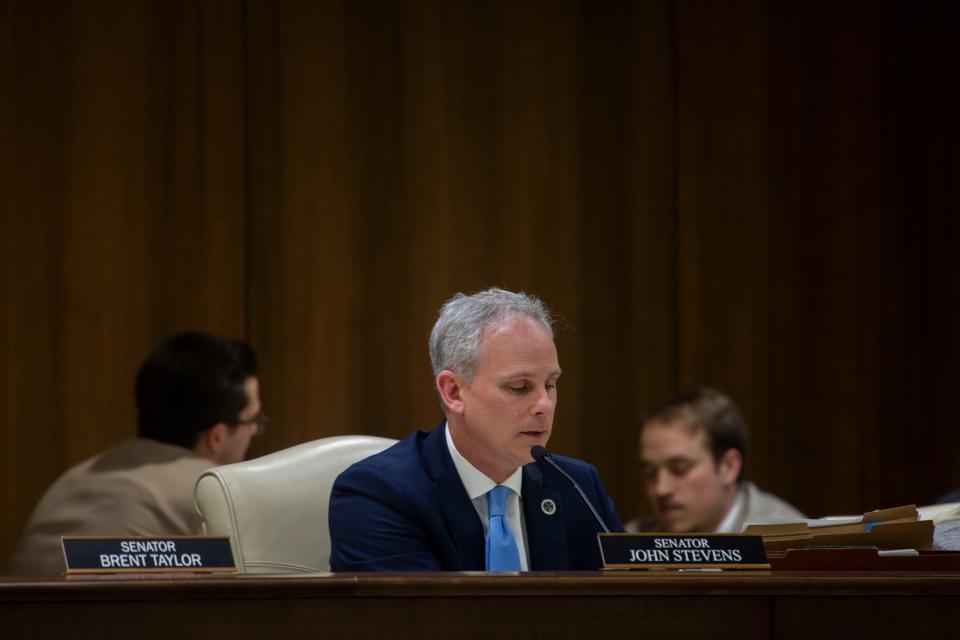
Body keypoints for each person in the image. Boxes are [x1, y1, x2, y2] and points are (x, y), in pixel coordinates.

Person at [329, 288, 623, 571]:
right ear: (454, 392)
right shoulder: (379, 494)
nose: (544, 404)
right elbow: (414, 620)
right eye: (520, 387)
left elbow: (628, 606)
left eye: (550, 384)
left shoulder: (578, 487)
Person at [8, 331, 265, 575]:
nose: (255, 430)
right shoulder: (211, 492)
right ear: (217, 436)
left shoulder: (71, 479)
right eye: (252, 419)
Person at [628, 387, 804, 533]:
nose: (661, 489)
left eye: (679, 468)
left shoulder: (787, 542)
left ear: (728, 467)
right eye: (650, 473)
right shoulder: (633, 539)